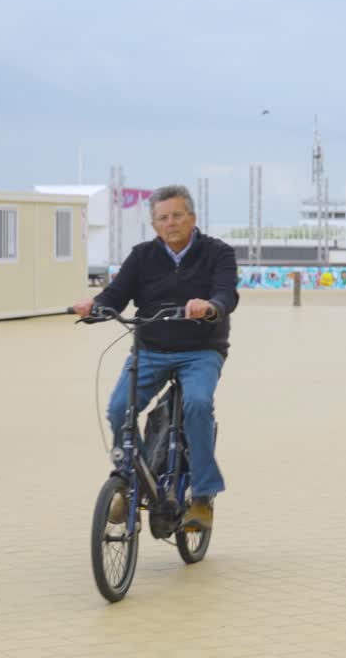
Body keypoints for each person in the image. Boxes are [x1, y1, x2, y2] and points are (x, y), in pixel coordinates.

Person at [72, 185, 238, 532]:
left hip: (200, 351)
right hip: (151, 350)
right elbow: (116, 295)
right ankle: (134, 482)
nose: (170, 223)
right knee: (119, 409)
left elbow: (226, 292)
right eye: (162, 218)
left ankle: (202, 494)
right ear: (154, 224)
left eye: (177, 216)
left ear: (192, 218)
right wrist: (95, 307)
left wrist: (211, 307)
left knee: (196, 403)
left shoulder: (217, 253)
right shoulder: (142, 256)